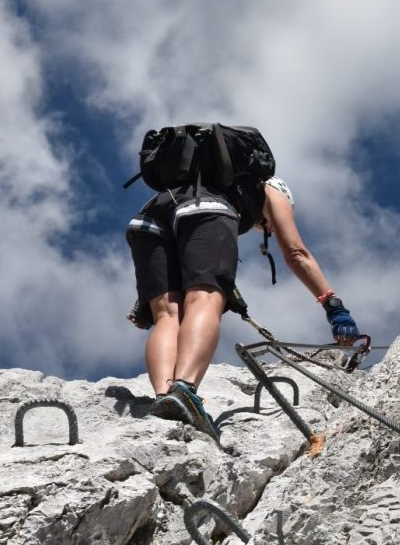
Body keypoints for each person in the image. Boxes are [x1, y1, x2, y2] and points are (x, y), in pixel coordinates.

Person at [126, 174, 360, 438]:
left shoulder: (200, 179)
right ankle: (184, 390)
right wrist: (333, 305)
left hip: (147, 220)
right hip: (204, 211)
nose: (268, 230)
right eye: (269, 226)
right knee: (205, 297)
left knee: (167, 315)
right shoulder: (272, 187)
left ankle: (164, 398)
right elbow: (296, 253)